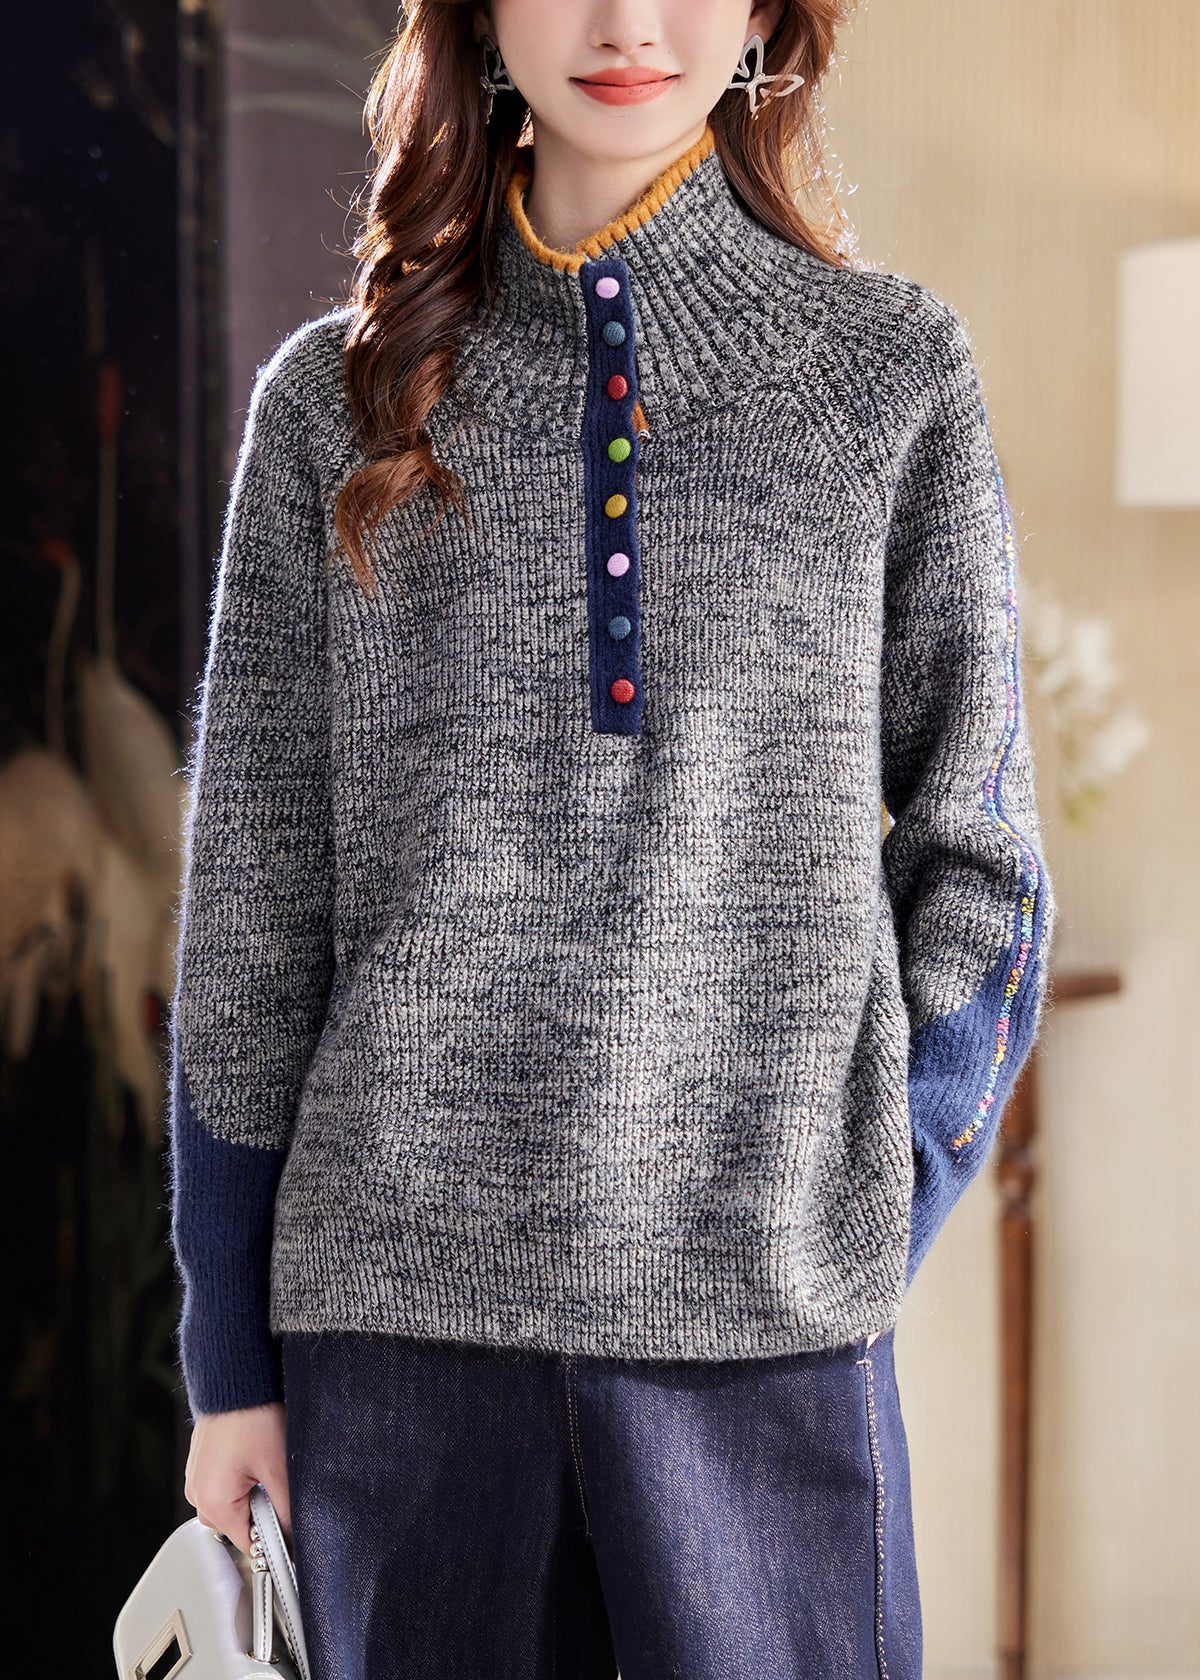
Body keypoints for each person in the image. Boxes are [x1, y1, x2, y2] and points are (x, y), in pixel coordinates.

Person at [170, 1, 1057, 1675]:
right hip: (394, 1354)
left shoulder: (888, 374)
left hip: (766, 1349)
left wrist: (887, 1186)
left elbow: (983, 856)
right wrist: (230, 1359)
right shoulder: (328, 404)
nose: (628, 23)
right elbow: (249, 914)